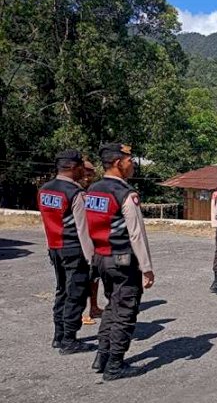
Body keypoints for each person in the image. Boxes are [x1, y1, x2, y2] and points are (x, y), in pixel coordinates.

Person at [85, 143, 155, 381]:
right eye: (129, 160)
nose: (132, 164)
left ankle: (101, 356)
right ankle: (115, 364)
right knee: (125, 309)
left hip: (101, 258)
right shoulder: (126, 194)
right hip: (123, 259)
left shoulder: (93, 190)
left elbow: (86, 227)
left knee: (111, 306)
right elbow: (136, 234)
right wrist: (146, 268)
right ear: (117, 163)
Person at [37, 149, 96, 354]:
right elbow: (83, 228)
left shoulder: (44, 189)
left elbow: (47, 222)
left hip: (55, 248)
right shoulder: (76, 193)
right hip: (73, 249)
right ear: (72, 167)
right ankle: (69, 340)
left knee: (62, 291)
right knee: (76, 294)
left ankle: (58, 336)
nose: (83, 170)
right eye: (81, 166)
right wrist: (91, 258)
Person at [80, 159, 103, 325]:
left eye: (90, 174)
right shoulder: (74, 192)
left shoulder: (92, 191)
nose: (88, 177)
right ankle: (81, 312)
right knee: (81, 279)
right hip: (79, 243)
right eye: (85, 173)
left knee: (94, 278)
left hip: (94, 240)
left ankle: (93, 307)